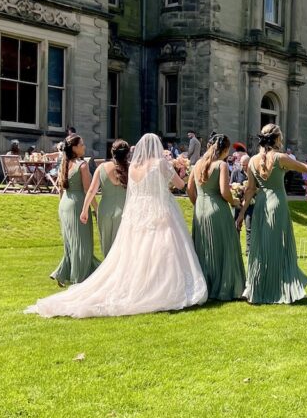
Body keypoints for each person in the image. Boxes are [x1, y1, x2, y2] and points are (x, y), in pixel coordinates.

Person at [26, 133, 207, 317]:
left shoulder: (134, 167)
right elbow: (178, 184)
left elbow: (132, 190)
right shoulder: (159, 163)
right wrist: (183, 174)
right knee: (164, 249)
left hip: (137, 212)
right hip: (160, 208)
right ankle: (161, 286)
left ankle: (142, 284)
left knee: (138, 251)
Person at [237, 124, 307, 304]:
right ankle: (276, 290)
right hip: (277, 205)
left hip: (261, 205)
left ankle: (258, 289)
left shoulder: (253, 160)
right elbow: (306, 169)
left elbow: (250, 190)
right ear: (277, 138)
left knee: (261, 249)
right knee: (277, 247)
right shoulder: (280, 158)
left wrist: (241, 215)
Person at [189, 133, 246, 301]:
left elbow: (189, 190)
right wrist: (234, 201)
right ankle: (225, 287)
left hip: (200, 210)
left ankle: (205, 286)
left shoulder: (197, 163)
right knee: (226, 248)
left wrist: (198, 204)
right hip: (218, 209)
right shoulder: (221, 165)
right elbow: (224, 191)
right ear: (225, 149)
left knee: (204, 248)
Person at [49, 133, 100, 286]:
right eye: (82, 144)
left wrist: (61, 207)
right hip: (77, 204)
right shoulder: (81, 165)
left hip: (64, 204)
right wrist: (96, 209)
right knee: (82, 243)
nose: (84, 147)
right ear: (75, 148)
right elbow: (88, 190)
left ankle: (64, 273)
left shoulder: (64, 164)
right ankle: (80, 277)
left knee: (70, 243)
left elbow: (60, 188)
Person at [80, 139, 130, 257]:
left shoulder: (102, 167)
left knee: (107, 247)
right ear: (127, 153)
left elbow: (91, 190)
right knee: (123, 248)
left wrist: (84, 210)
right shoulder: (132, 168)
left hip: (105, 210)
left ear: (112, 152)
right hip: (125, 210)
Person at [231, 152, 254, 252]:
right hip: (238, 203)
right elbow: (230, 186)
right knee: (235, 226)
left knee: (249, 227)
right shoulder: (236, 172)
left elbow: (256, 188)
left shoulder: (253, 173)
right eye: (241, 164)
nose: (243, 166)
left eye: (245, 165)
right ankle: (236, 248)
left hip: (250, 203)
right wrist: (238, 188)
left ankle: (249, 250)